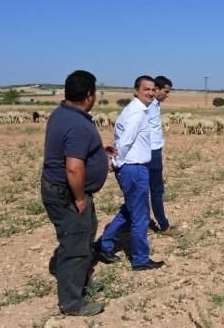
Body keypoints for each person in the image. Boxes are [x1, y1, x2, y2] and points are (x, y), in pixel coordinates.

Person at [41, 70, 114, 316]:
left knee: (83, 236)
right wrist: (80, 197)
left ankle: (81, 283)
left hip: (58, 188)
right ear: (89, 95)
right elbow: (73, 167)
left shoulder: (61, 114)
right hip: (68, 193)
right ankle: (72, 303)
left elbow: (70, 148)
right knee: (74, 243)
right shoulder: (77, 124)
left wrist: (96, 151)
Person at [95, 76, 165, 271]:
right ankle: (140, 259)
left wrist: (116, 162)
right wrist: (115, 162)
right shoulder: (137, 114)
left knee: (131, 209)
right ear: (136, 91)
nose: (150, 93)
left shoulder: (133, 110)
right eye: (146, 89)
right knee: (140, 215)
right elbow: (125, 142)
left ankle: (104, 244)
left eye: (153, 89)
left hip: (131, 167)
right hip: (133, 168)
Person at [147, 75, 182, 236]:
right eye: (166, 91)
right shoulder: (147, 107)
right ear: (157, 89)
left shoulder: (155, 105)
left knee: (146, 191)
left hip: (154, 151)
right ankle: (164, 226)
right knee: (156, 190)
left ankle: (150, 221)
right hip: (151, 152)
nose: (168, 94)